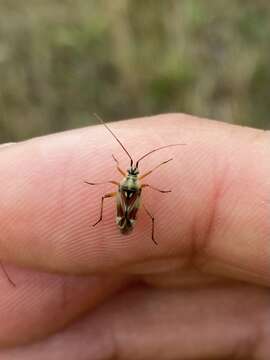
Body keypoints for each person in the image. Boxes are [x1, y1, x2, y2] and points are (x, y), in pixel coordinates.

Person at [0, 113, 269, 359]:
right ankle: (124, 223)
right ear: (133, 175)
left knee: (117, 202)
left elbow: (114, 182)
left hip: (122, 206)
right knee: (142, 215)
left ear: (129, 176)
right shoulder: (139, 185)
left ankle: (117, 222)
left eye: (132, 172)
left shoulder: (123, 184)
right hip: (131, 207)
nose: (132, 173)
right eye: (131, 172)